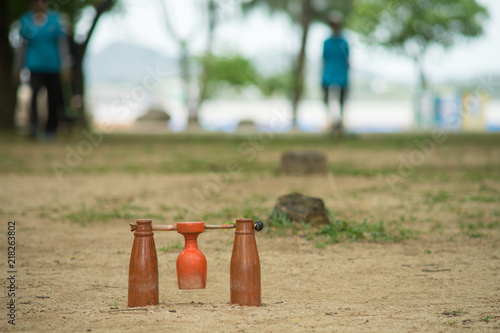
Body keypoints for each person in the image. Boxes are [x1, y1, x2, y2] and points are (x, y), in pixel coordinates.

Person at [12, 0, 71, 139]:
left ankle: (51, 128)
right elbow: (22, 47)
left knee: (53, 97)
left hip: (53, 66)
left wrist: (66, 66)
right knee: (33, 95)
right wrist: (17, 69)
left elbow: (62, 45)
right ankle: (33, 126)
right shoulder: (26, 21)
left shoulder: (55, 20)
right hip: (34, 65)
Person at [322, 11, 349, 136]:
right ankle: (333, 123)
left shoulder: (344, 42)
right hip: (328, 75)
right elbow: (324, 59)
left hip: (341, 76)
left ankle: (339, 124)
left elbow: (347, 60)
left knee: (341, 101)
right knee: (327, 100)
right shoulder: (327, 42)